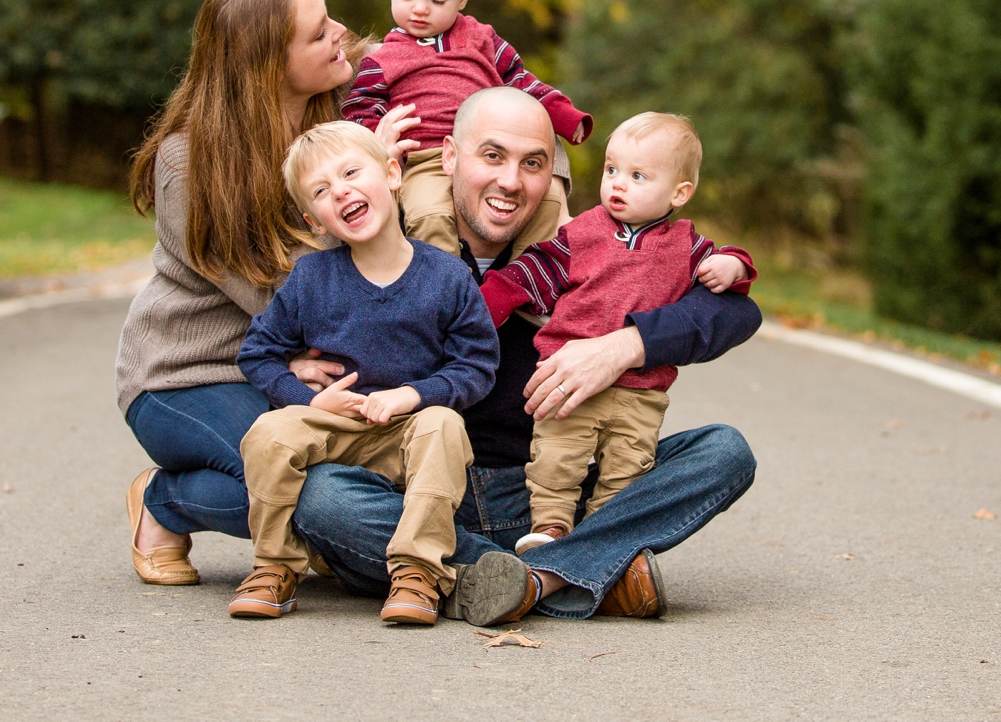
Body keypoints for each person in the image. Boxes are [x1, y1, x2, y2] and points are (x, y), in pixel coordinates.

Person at [289, 86, 761, 624]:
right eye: (492, 156)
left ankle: (528, 578)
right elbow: (277, 334)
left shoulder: (578, 248)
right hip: (427, 496)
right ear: (448, 157)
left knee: (724, 451)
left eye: (532, 163)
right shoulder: (385, 245)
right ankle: (586, 570)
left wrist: (622, 347)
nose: (510, 181)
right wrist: (292, 366)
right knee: (324, 498)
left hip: (554, 490)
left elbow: (736, 313)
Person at [114, 0, 414, 586]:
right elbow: (283, 297)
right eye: (316, 34)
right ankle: (164, 503)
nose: (340, 34)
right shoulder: (190, 164)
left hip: (290, 361)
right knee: (310, 493)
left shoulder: (345, 99)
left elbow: (460, 81)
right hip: (190, 376)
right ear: (266, 68)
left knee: (361, 481)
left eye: (327, 15)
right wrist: (286, 368)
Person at [227, 121, 500, 625]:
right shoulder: (312, 278)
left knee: (444, 424)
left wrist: (412, 396)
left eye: (352, 172)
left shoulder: (447, 275)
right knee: (269, 432)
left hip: (407, 427)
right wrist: (309, 401)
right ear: (316, 220)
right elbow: (259, 353)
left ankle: (418, 573)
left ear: (392, 172)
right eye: (322, 190)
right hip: (338, 423)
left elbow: (477, 365)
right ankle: (274, 567)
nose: (342, 191)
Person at [483, 112, 755, 553]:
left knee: (630, 469)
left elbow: (735, 303)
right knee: (557, 458)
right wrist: (480, 306)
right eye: (611, 170)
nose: (618, 184)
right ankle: (553, 530)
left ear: (680, 193)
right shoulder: (582, 233)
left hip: (639, 392)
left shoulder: (686, 246)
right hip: (566, 389)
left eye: (637, 176)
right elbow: (532, 273)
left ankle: (597, 541)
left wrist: (735, 264)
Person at [341, 0, 591, 253]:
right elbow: (358, 110)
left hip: (487, 153)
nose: (419, 9)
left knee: (548, 203)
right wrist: (378, 141)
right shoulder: (381, 59)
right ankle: (451, 293)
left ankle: (522, 284)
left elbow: (522, 81)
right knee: (428, 215)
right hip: (425, 159)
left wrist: (566, 117)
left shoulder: (482, 39)